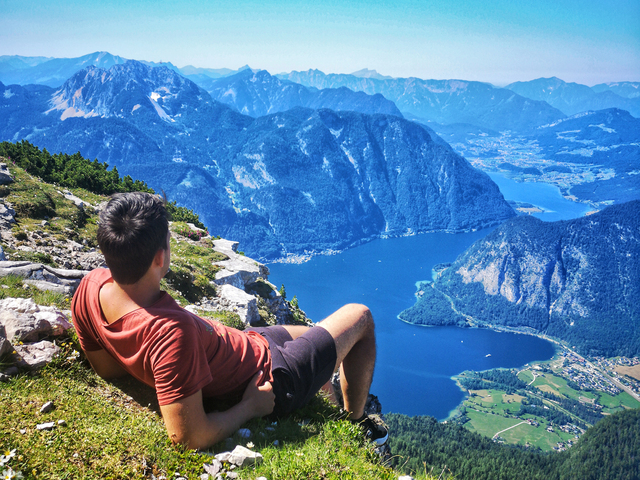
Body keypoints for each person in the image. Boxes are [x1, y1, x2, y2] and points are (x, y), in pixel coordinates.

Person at [71, 192, 388, 450]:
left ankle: (323, 395)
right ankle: (354, 422)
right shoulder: (169, 334)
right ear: (159, 258)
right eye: (168, 239)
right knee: (361, 318)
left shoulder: (90, 287)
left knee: (314, 335)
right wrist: (250, 407)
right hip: (270, 376)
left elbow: (108, 368)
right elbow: (188, 437)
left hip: (251, 343)